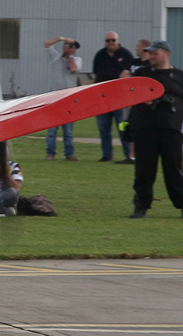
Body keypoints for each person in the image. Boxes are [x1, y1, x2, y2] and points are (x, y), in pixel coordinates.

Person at [125, 39, 183, 218]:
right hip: (145, 128)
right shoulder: (142, 74)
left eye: (154, 53)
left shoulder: (179, 76)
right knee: (144, 169)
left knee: (173, 168)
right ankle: (141, 204)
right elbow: (128, 94)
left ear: (166, 54)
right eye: (149, 53)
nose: (151, 56)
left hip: (171, 129)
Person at [92, 31, 137, 162]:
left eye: (113, 40)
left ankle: (128, 155)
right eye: (108, 41)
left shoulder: (126, 54)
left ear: (117, 41)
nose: (110, 43)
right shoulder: (100, 55)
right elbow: (96, 72)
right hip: (102, 96)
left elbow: (132, 74)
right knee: (103, 128)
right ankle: (107, 155)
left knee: (122, 127)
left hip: (119, 97)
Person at [43, 35, 81, 160]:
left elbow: (73, 69)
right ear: (63, 47)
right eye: (68, 46)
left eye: (73, 47)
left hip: (69, 100)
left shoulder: (77, 60)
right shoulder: (55, 57)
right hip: (53, 98)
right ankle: (50, 153)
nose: (71, 48)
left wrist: (70, 56)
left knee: (68, 131)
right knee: (52, 130)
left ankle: (69, 154)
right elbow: (47, 43)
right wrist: (60, 39)